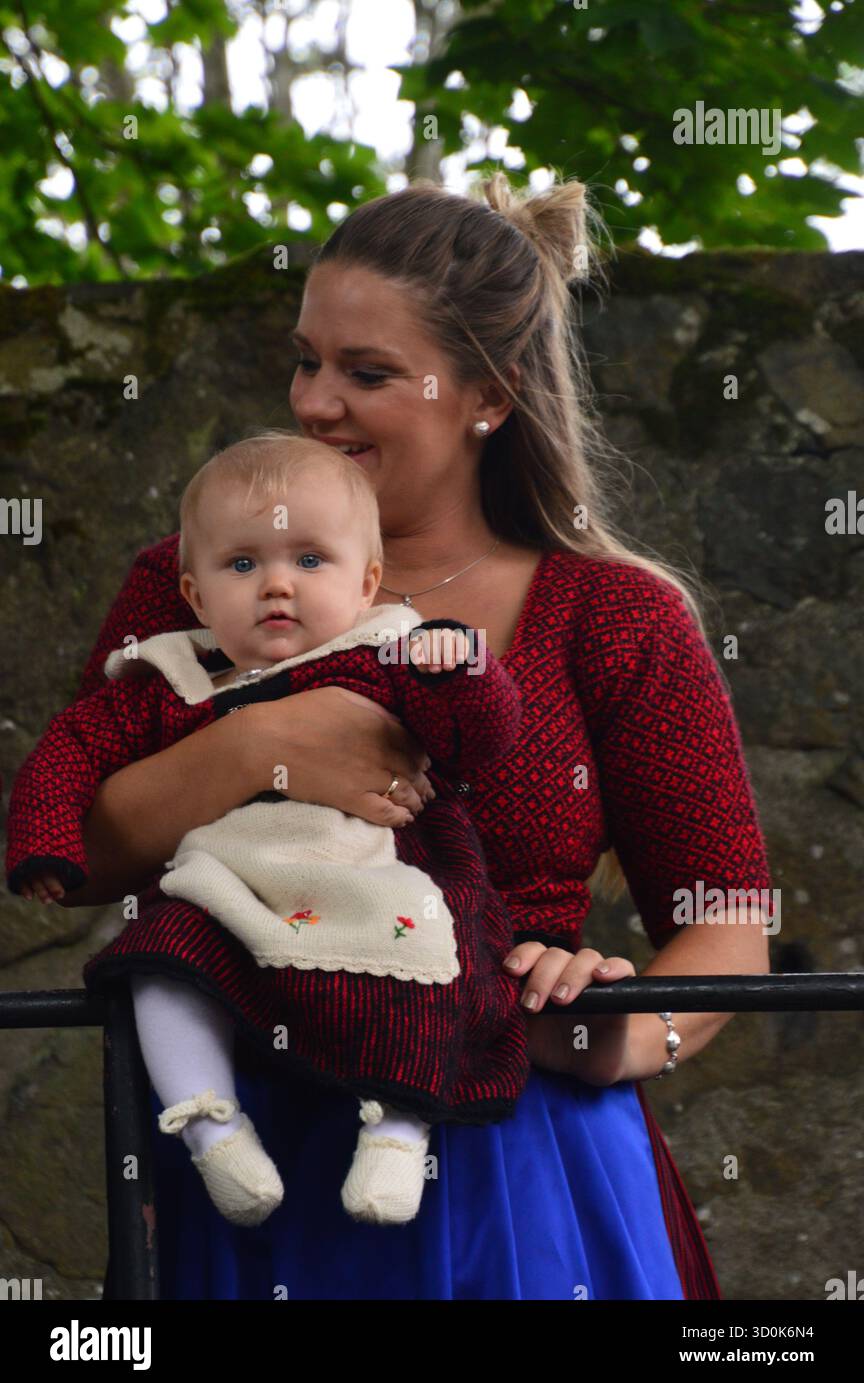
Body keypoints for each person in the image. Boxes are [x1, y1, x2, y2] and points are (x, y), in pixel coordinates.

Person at [41, 171, 771, 1300]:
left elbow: (728, 921)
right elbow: (77, 856)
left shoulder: (616, 616)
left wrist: (621, 1032)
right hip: (257, 1142)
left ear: (490, 392)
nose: (315, 402)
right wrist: (254, 747)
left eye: (366, 373)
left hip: (513, 1142)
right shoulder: (199, 579)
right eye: (307, 360)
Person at [5, 431, 533, 1229]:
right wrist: (45, 841)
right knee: (155, 961)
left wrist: (457, 666)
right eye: (242, 565)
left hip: (374, 870)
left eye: (311, 561)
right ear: (193, 593)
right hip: (230, 888)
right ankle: (213, 1128)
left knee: (437, 961)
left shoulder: (388, 654)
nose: (277, 585)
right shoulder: (175, 682)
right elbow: (71, 748)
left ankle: (398, 1131)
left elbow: (482, 737)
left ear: (369, 582)